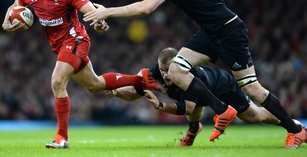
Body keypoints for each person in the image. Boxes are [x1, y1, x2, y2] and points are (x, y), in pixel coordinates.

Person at [83, 0, 307, 148]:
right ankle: (222, 110)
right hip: (210, 31)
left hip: (229, 31)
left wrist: (107, 12)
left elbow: (145, 8)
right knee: (176, 70)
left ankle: (296, 130)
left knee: (251, 89)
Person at [1, 0, 155, 149]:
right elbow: (13, 9)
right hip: (59, 46)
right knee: (95, 85)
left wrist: (99, 23)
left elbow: (90, 10)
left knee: (57, 81)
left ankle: (62, 138)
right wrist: (7, 24)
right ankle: (141, 79)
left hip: (76, 40)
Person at [108, 47, 307, 147]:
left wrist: (160, 104)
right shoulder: (156, 72)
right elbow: (136, 93)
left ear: (177, 64)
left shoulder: (186, 75)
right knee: (195, 110)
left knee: (253, 117)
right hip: (202, 93)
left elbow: (185, 108)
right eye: (162, 69)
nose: (166, 74)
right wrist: (117, 92)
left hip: (223, 86)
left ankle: (294, 126)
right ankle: (193, 131)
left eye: (169, 69)